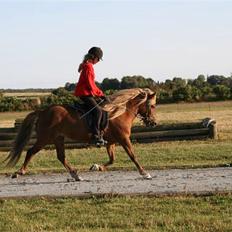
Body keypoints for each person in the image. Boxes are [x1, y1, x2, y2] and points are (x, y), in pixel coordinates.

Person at [74, 47, 107, 146]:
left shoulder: (87, 65)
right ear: (95, 57)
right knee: (98, 111)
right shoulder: (89, 66)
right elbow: (90, 83)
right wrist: (101, 94)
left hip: (86, 93)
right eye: (98, 59)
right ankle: (95, 135)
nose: (98, 61)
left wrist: (99, 94)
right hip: (84, 93)